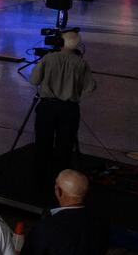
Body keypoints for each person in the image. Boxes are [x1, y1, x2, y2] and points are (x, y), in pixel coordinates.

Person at [30, 30, 95, 190]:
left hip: (47, 108)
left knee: (42, 144)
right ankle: (62, 183)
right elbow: (90, 87)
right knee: (64, 147)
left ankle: (39, 180)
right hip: (69, 109)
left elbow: (34, 80)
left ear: (60, 43)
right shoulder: (80, 63)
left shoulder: (48, 59)